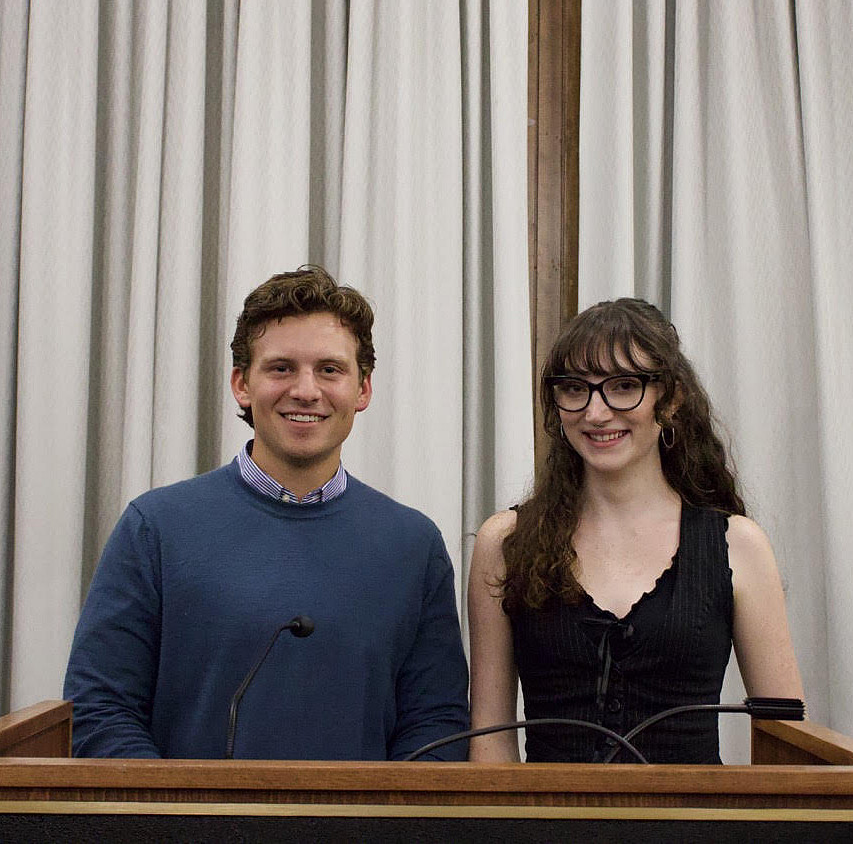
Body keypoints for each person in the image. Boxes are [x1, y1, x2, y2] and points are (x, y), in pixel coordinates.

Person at [64, 265, 469, 760]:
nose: (305, 390)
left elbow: (436, 724)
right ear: (242, 385)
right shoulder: (155, 528)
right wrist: (172, 822)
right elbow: (100, 710)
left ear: (363, 389)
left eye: (330, 369)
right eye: (281, 368)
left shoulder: (413, 545)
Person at [468, 297, 804, 764]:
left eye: (623, 386)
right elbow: (490, 738)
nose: (597, 412)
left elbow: (784, 741)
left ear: (670, 398)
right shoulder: (503, 542)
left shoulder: (738, 544)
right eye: (574, 388)